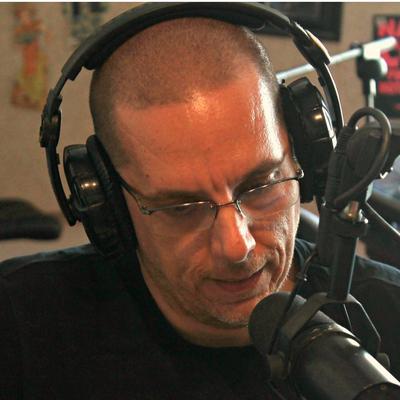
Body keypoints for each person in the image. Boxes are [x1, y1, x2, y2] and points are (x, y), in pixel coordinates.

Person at [1, 12, 400, 400]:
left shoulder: (391, 311)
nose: (237, 246)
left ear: (307, 161)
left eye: (260, 185)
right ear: (111, 208)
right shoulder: (20, 325)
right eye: (182, 208)